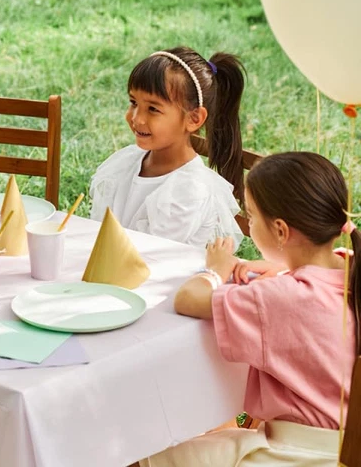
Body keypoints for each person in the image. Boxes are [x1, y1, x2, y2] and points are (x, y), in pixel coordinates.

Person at [141, 151, 359, 466]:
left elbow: (187, 299)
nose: (249, 224)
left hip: (294, 455)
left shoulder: (279, 298)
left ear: (282, 231)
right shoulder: (350, 268)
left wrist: (216, 269)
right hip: (344, 448)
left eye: (252, 216)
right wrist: (282, 271)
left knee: (150, 452)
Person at [90, 47, 246, 248]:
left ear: (194, 118)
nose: (136, 118)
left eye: (153, 109)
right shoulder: (128, 161)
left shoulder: (189, 189)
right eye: (133, 102)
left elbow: (148, 257)